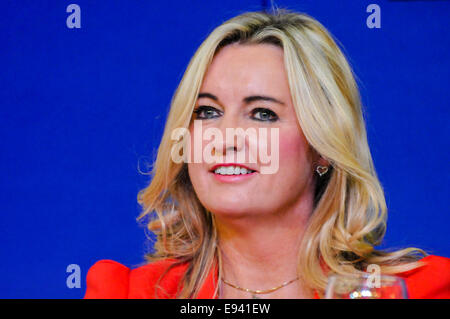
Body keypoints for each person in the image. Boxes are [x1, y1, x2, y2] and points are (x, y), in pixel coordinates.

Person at [84, 9, 450, 299]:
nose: (226, 138)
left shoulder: (422, 290)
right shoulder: (125, 292)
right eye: (207, 112)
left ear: (323, 148)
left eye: (263, 114)